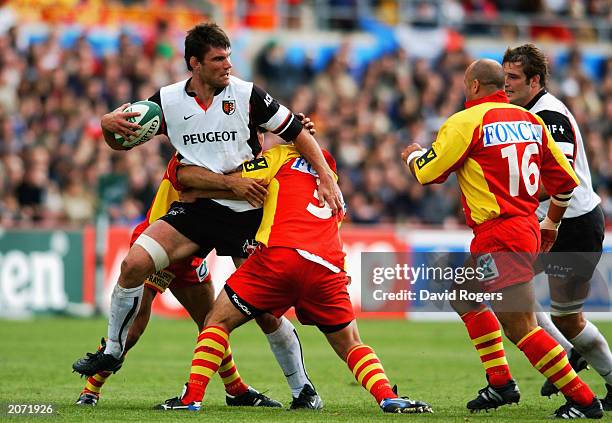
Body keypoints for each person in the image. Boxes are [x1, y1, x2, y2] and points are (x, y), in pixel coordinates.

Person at [72, 22, 341, 409]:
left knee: (265, 312)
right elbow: (123, 140)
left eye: (229, 56)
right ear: (194, 64)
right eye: (218, 58)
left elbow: (298, 131)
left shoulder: (248, 95)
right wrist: (107, 125)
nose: (227, 65)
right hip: (197, 210)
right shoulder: (166, 101)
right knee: (134, 264)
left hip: (248, 210)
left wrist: (328, 178)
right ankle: (112, 350)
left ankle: (303, 389)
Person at [154, 143, 433, 414]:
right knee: (351, 343)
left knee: (217, 320)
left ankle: (192, 397)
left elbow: (237, 182)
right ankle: (387, 397)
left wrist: (195, 185)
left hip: (281, 256)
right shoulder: (333, 186)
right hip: (328, 268)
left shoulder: (282, 157)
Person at [401, 59, 602, 419]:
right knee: (463, 296)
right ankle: (501, 383)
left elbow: (428, 174)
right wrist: (552, 225)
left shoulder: (466, 122)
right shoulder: (531, 122)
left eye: (466, 85)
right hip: (523, 225)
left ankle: (584, 401)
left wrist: (414, 155)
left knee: (520, 325)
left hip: (500, 233)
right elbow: (565, 181)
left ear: (475, 86)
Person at [76, 125, 320, 408]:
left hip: (206, 241)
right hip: (167, 234)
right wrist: (239, 185)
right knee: (134, 325)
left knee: (230, 320)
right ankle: (92, 388)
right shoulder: (196, 155)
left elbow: (269, 158)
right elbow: (192, 189)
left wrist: (298, 131)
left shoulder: (247, 155)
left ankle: (257, 389)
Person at [502, 44, 612, 409]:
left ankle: (571, 361)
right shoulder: (526, 113)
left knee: (567, 317)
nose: (506, 84)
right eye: (504, 76)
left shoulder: (549, 116)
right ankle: (567, 359)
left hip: (573, 223)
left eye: (514, 77)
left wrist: (512, 198)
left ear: (535, 80)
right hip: (555, 221)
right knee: (507, 289)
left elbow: (559, 178)